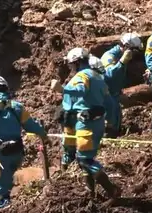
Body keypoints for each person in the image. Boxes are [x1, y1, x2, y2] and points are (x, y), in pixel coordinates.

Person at [50, 47, 120, 205]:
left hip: (86, 124)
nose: (70, 68)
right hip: (97, 123)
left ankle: (112, 191)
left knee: (84, 160)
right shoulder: (98, 77)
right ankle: (91, 193)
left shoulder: (83, 76)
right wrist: (111, 122)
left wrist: (62, 89)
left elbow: (80, 90)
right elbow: (110, 102)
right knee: (87, 157)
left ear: (76, 63)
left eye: (71, 65)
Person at [0, 75, 48, 209]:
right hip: (17, 152)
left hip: (0, 154)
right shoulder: (17, 107)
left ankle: (4, 204)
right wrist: (44, 134)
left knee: (1, 183)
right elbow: (31, 126)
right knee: (9, 175)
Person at [101, 32, 143, 137]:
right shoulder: (109, 57)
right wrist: (122, 62)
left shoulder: (121, 56)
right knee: (110, 124)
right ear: (126, 47)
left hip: (115, 94)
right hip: (107, 95)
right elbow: (109, 74)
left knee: (117, 121)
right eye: (134, 51)